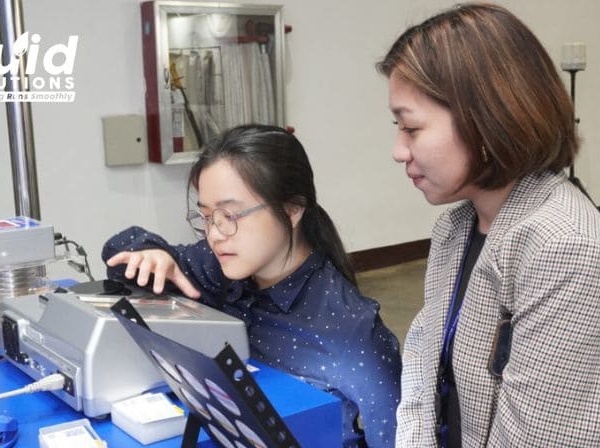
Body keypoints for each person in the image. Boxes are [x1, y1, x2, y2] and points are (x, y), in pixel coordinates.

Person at [376, 4, 600, 447]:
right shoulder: (456, 227)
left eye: (410, 128)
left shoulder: (565, 248)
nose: (398, 150)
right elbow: (424, 358)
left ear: (486, 119)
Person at [102, 124, 401, 447]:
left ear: (292, 209)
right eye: (206, 217)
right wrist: (152, 252)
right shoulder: (219, 266)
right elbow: (120, 251)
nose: (215, 234)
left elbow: (403, 439)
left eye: (230, 215)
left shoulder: (353, 336)